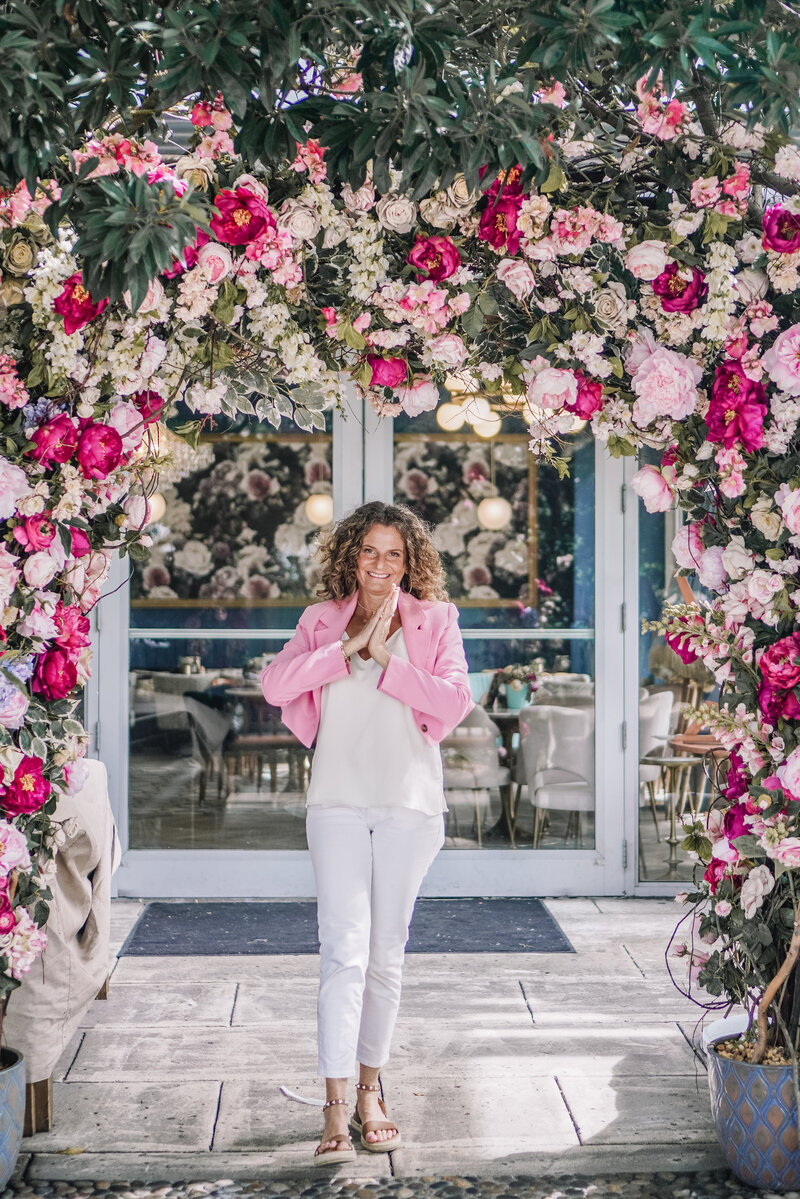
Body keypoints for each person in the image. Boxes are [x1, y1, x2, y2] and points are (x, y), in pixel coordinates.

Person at [261, 500, 473, 1165]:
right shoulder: (320, 621)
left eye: (394, 553)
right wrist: (345, 648)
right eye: (369, 551)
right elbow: (275, 685)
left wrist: (386, 660)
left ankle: (370, 1092)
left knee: (385, 954)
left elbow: (454, 700)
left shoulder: (436, 619)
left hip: (410, 805)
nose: (381, 565)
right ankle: (332, 1102)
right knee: (342, 952)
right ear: (351, 555)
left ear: (410, 561)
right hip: (337, 804)